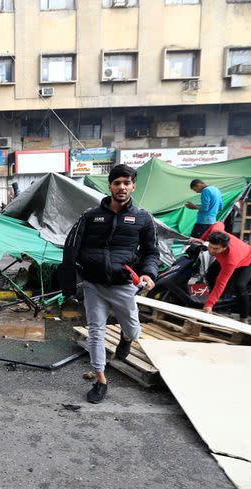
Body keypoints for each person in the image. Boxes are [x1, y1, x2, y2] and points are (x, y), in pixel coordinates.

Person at [62, 164, 159, 404]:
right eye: (117, 183)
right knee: (96, 331)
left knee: (134, 330)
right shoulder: (91, 215)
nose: (122, 187)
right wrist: (68, 285)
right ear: (110, 186)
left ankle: (126, 339)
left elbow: (151, 252)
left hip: (124, 285)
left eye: (126, 183)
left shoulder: (143, 218)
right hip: (93, 284)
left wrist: (148, 273)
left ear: (133, 186)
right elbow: (71, 248)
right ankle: (100, 379)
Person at [190, 223, 251, 324]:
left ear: (224, 247)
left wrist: (208, 305)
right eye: (210, 247)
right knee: (209, 274)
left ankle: (244, 318)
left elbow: (221, 282)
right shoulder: (216, 233)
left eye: (216, 249)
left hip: (248, 259)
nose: (211, 251)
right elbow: (219, 223)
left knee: (240, 286)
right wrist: (202, 239)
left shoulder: (230, 260)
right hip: (226, 256)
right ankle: (219, 301)